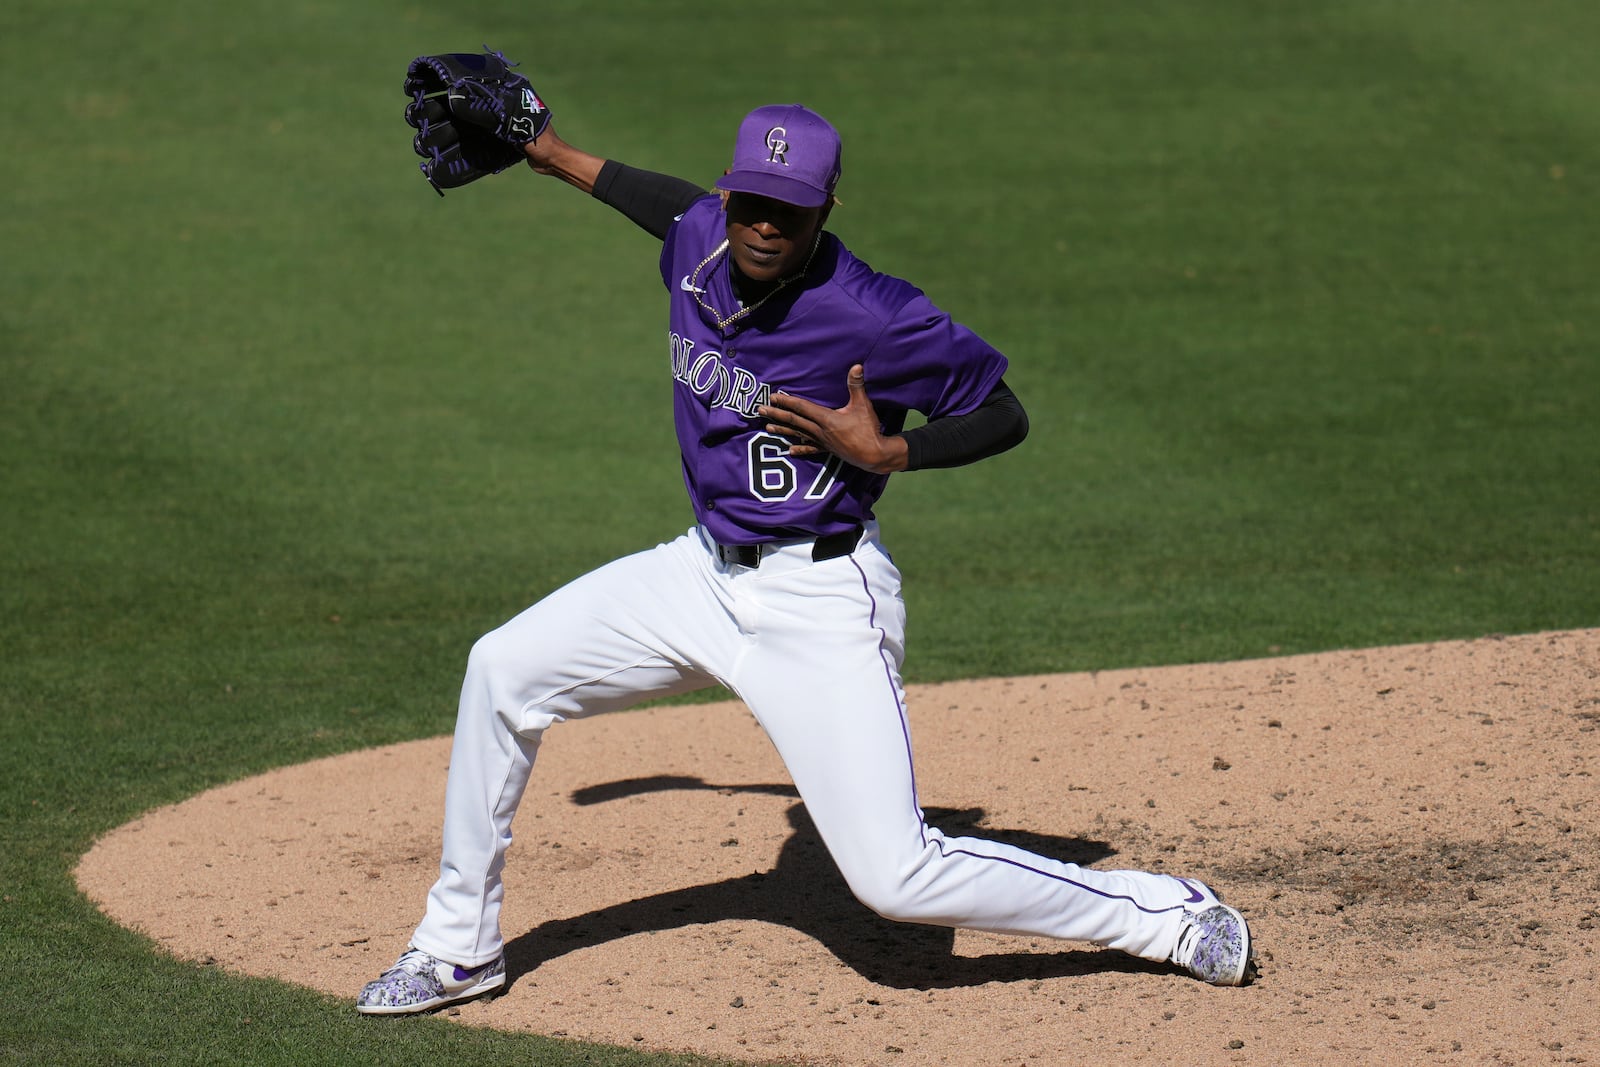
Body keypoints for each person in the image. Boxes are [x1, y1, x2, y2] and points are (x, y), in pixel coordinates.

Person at [356, 100, 1252, 1015]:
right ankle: (458, 946)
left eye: (789, 210)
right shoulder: (703, 236)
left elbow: (1003, 410)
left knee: (896, 879)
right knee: (502, 667)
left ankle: (1157, 911)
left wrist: (890, 453)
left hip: (820, 596)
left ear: (826, 207)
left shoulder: (876, 315)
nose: (764, 227)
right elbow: (652, 199)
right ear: (729, 191)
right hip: (697, 575)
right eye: (751, 202)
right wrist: (549, 154)